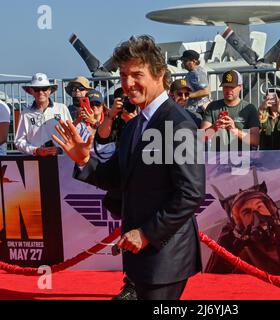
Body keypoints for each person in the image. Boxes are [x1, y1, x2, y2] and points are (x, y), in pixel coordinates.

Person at [52, 35, 205, 300]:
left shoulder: (177, 123)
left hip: (164, 255)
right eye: (123, 75)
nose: (128, 83)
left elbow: (190, 193)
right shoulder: (134, 124)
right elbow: (117, 177)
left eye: (137, 74)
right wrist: (84, 160)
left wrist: (146, 234)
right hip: (139, 252)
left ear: (159, 75)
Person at [15, 73, 72, 156]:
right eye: (36, 89)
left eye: (44, 88)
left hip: (61, 159)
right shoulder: (25, 113)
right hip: (35, 160)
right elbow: (19, 141)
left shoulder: (62, 108)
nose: (40, 92)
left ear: (49, 91)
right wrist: (35, 150)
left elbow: (71, 134)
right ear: (31, 91)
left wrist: (59, 149)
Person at [201, 70, 260, 151]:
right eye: (225, 87)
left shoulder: (249, 108)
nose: (228, 90)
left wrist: (234, 130)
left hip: (242, 159)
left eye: (232, 87)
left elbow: (255, 140)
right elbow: (202, 137)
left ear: (241, 87)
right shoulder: (212, 107)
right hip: (218, 158)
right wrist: (215, 127)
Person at [181, 49, 210, 114]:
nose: (183, 63)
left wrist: (187, 95)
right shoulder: (191, 73)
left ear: (194, 61)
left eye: (185, 61)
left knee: (170, 121)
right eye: (183, 61)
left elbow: (205, 91)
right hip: (191, 109)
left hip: (198, 110)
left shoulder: (198, 73)